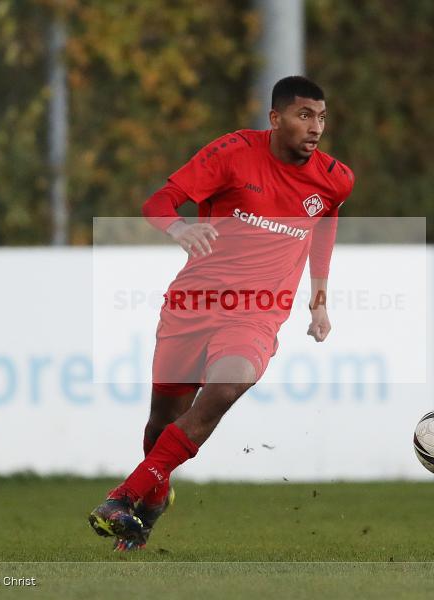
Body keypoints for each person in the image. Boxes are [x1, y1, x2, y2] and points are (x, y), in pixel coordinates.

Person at [89, 76, 354, 550]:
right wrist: (178, 228)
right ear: (275, 119)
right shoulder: (231, 153)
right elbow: (159, 201)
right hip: (193, 304)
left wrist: (319, 299)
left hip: (256, 313)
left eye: (321, 116)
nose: (315, 127)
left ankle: (123, 498)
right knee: (161, 424)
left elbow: (324, 223)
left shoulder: (335, 178)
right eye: (304, 115)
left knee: (226, 386)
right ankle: (154, 494)